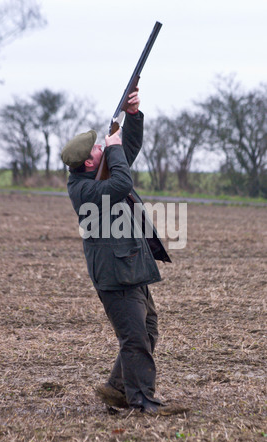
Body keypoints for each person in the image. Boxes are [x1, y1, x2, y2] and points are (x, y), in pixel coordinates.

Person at [61, 89, 188, 416]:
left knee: (146, 330)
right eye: (99, 148)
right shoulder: (86, 190)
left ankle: (118, 389)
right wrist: (113, 148)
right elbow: (120, 183)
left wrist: (131, 116)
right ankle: (143, 400)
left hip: (130, 266)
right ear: (90, 161)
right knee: (135, 339)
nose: (104, 146)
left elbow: (127, 149)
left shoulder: (98, 171)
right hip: (116, 275)